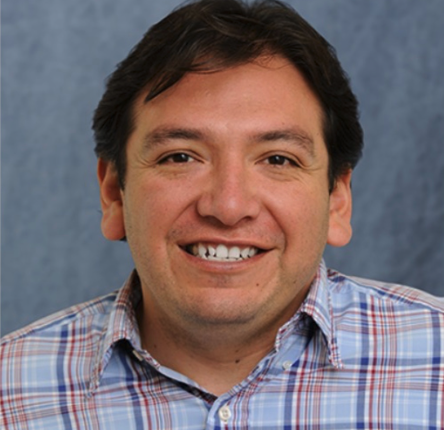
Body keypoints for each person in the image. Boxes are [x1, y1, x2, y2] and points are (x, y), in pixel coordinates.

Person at [1, 0, 443, 428]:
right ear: (114, 192)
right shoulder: (10, 392)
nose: (229, 208)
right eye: (180, 157)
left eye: (278, 160)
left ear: (337, 200)